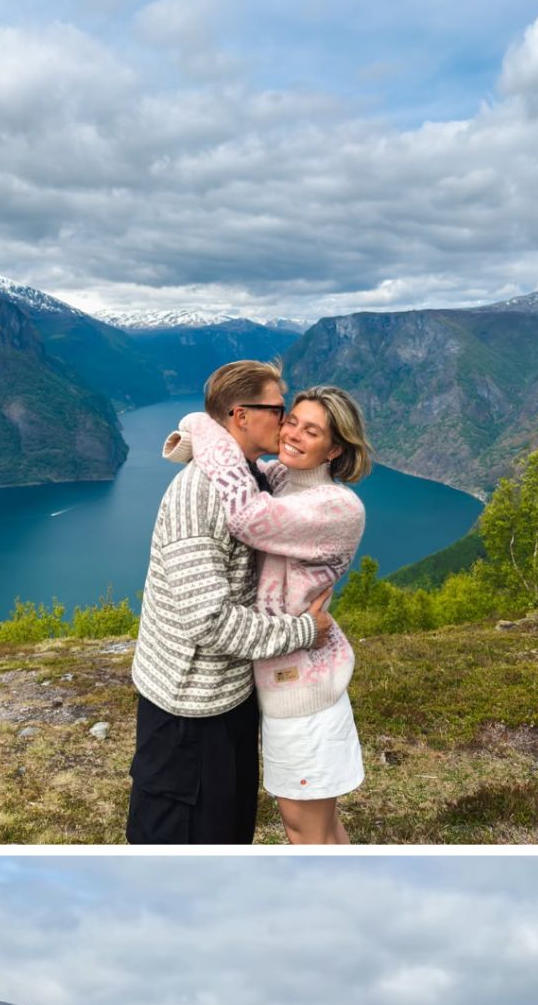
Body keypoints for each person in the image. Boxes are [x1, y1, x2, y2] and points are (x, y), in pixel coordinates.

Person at [127, 360, 334, 845]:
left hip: (229, 697)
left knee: (229, 828)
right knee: (178, 837)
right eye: (279, 410)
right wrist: (308, 630)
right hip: (187, 710)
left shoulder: (245, 481)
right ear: (241, 415)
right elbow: (211, 623)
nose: (285, 423)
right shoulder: (198, 494)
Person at [163, 386, 370, 846]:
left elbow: (249, 518)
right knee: (320, 826)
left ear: (334, 449)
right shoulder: (281, 478)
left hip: (305, 692)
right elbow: (236, 466)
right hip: (285, 683)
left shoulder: (336, 507)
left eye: (311, 430)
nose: (291, 433)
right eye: (291, 419)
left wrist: (202, 422)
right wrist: (209, 431)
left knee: (305, 829)